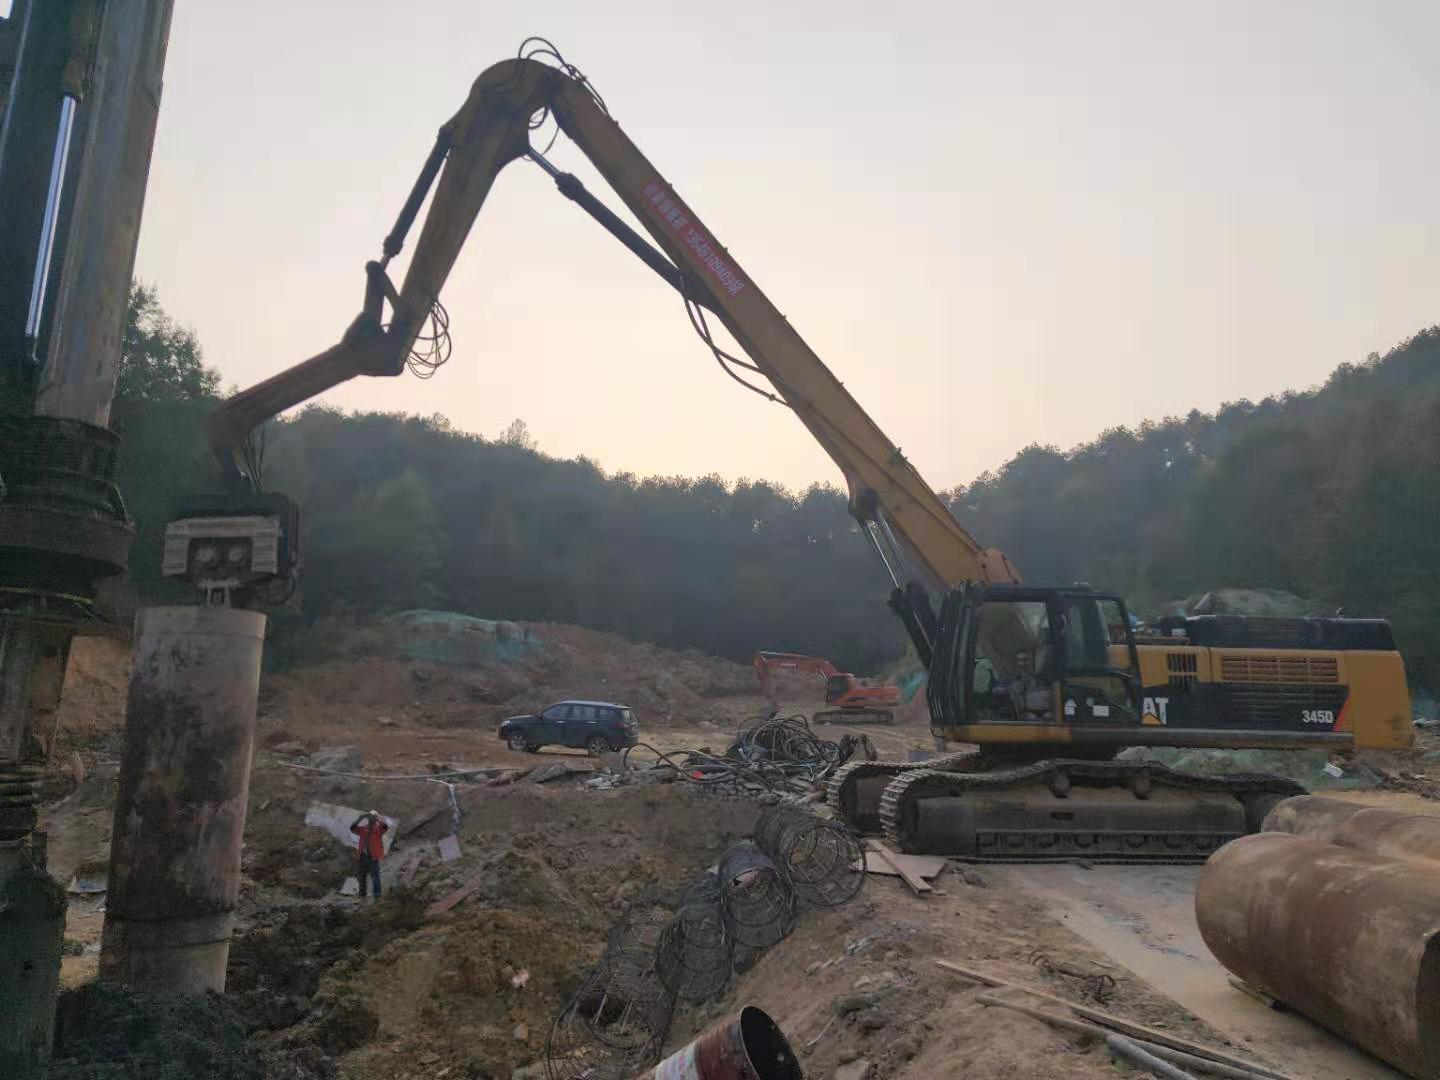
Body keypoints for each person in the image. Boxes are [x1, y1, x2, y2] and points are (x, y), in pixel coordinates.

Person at [349, 809, 388, 899]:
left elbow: (385, 827)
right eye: (370, 818)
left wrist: (377, 818)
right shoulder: (363, 829)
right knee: (362, 877)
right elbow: (352, 828)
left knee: (375, 877)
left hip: (373, 857)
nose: (371, 819)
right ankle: (362, 896)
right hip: (362, 857)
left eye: (373, 818)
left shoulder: (378, 830)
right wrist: (360, 818)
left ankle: (377, 896)